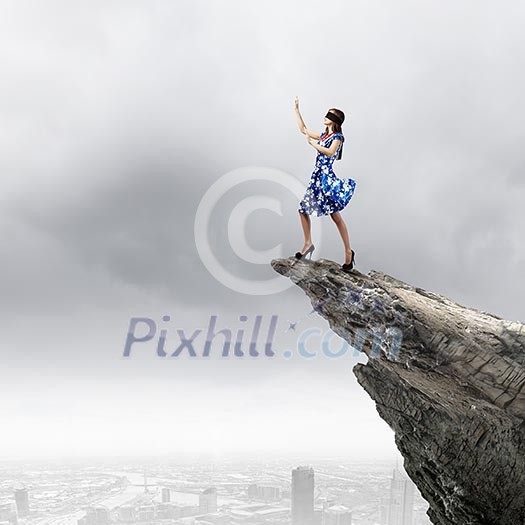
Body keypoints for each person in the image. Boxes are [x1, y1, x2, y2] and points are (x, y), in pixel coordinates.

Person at [293, 96, 357, 271]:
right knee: (303, 210)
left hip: (325, 179)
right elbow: (303, 130)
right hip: (317, 177)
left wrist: (314, 145)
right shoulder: (324, 135)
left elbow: (330, 152)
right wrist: (297, 110)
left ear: (334, 120)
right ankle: (308, 243)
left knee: (335, 216)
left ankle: (348, 253)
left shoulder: (337, 137)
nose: (325, 117)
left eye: (329, 115)